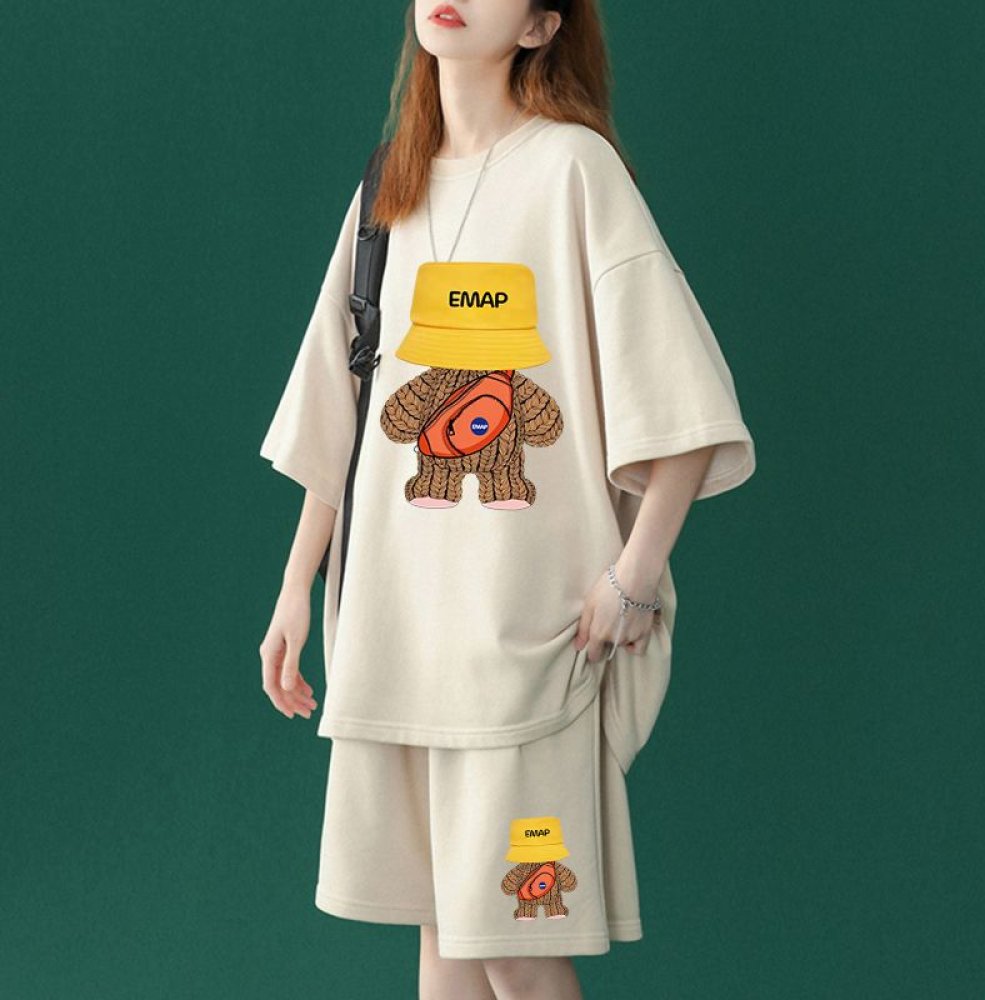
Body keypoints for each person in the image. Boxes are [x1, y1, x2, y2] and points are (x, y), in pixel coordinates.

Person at [258, 1, 756, 997]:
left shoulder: (573, 170)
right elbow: (341, 417)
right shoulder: (386, 189)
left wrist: (633, 576)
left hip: (527, 642)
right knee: (443, 940)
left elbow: (687, 409)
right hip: (399, 636)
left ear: (538, 27)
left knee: (516, 954)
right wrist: (293, 591)